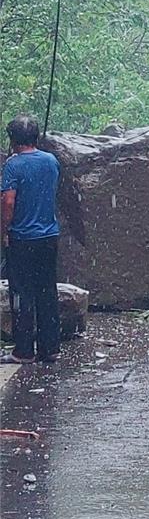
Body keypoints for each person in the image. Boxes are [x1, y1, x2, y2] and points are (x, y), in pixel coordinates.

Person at [1, 115, 61, 364]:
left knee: (22, 293)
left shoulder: (13, 166)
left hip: (23, 238)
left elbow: (8, 201)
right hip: (49, 236)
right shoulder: (51, 161)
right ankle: (50, 348)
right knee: (47, 291)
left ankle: (24, 350)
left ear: (12, 139)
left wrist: (4, 229)